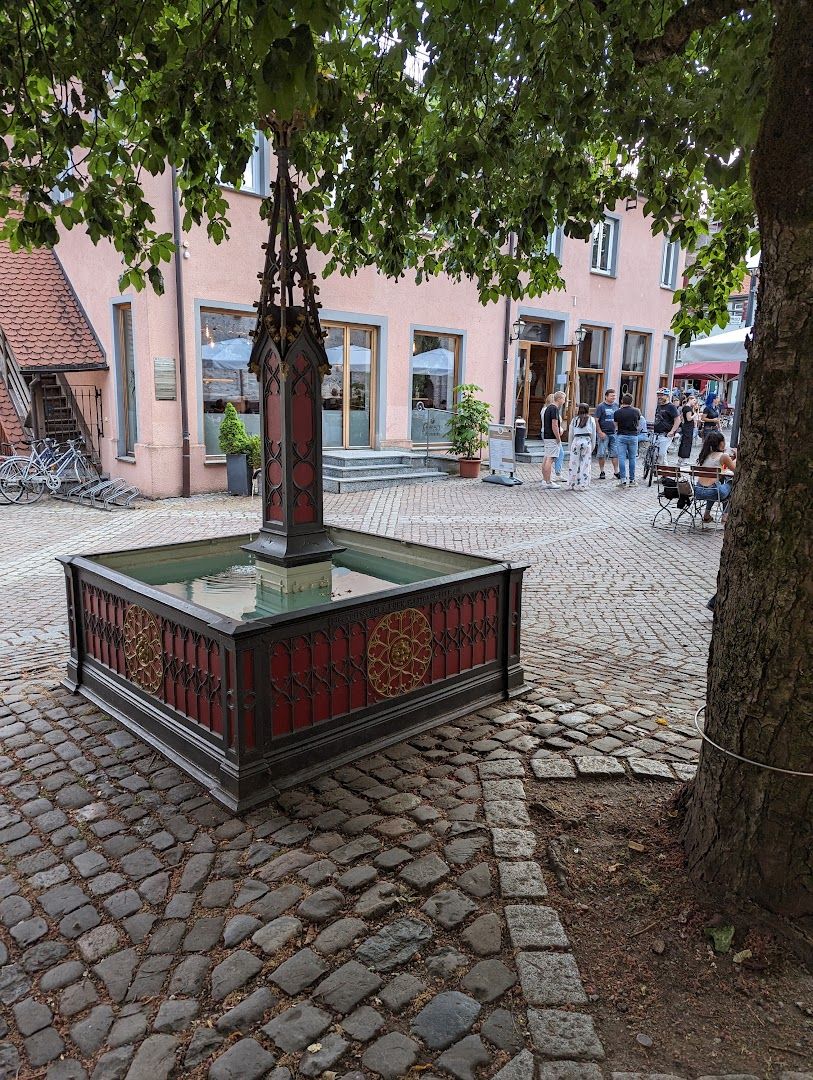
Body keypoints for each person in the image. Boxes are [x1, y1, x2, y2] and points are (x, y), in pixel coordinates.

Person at [693, 431, 736, 522]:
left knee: (716, 485)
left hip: (698, 490)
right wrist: (737, 456)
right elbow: (736, 470)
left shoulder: (704, 455)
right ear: (721, 443)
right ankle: (725, 515)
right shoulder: (724, 456)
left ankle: (707, 514)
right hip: (714, 493)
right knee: (731, 483)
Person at [566, 403, 597, 490]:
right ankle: (583, 484)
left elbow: (571, 434)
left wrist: (570, 445)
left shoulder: (575, 420)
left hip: (576, 440)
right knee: (585, 463)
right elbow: (594, 434)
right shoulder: (591, 420)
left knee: (573, 463)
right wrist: (593, 445)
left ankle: (571, 483)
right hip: (586, 440)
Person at [614, 392, 641, 486]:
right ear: (631, 402)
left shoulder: (617, 412)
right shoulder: (637, 411)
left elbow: (616, 425)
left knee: (621, 458)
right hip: (633, 436)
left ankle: (623, 480)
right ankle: (632, 480)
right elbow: (638, 424)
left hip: (621, 435)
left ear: (622, 401)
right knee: (632, 458)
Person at [540, 391, 566, 488]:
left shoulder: (547, 408)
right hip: (552, 437)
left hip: (547, 436)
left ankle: (544, 480)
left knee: (546, 458)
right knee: (550, 459)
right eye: (563, 399)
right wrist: (558, 438)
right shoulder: (554, 409)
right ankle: (548, 482)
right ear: (559, 399)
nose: (564, 401)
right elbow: (554, 425)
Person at [594, 388, 620, 480]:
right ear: (606, 396)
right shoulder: (601, 406)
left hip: (614, 433)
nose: (614, 397)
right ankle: (602, 471)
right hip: (603, 434)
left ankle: (616, 472)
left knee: (615, 453)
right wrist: (599, 432)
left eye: (614, 396)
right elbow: (596, 420)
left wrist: (617, 429)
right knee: (601, 453)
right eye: (612, 396)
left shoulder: (616, 406)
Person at [653, 388, 680, 463]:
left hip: (666, 434)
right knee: (655, 454)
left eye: (661, 395)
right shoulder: (659, 406)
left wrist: (672, 431)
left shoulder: (671, 406)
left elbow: (678, 420)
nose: (659, 397)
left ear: (667, 396)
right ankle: (663, 472)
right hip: (656, 433)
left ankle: (661, 471)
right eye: (658, 395)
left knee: (661, 454)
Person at [677, 394, 697, 462]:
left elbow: (681, 417)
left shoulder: (685, 407)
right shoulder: (688, 408)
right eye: (694, 400)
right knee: (687, 442)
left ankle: (681, 459)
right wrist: (694, 415)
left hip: (686, 426)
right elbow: (689, 418)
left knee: (684, 442)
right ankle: (683, 459)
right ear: (690, 399)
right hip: (688, 427)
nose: (695, 402)